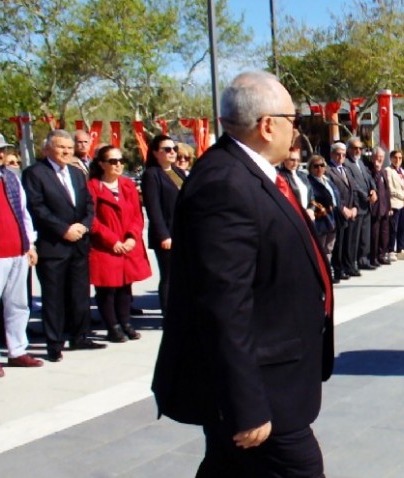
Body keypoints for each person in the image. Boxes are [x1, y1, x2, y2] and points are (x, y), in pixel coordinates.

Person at [152, 70, 334, 477]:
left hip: (270, 374)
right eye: (293, 121)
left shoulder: (251, 174)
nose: (297, 133)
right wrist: (245, 405)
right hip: (260, 389)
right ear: (268, 126)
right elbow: (222, 304)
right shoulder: (225, 183)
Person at [23, 129, 104, 363]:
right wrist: (63, 229)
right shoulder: (35, 174)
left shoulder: (77, 173)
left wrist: (84, 225)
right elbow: (37, 207)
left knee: (79, 294)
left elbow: (89, 204)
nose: (66, 152)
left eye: (69, 148)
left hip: (79, 243)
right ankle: (54, 343)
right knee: (54, 297)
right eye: (61, 147)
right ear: (47, 149)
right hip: (53, 245)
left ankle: (80, 336)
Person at [0, 129, 41, 378]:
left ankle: (17, 350)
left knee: (19, 305)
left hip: (17, 251)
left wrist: (30, 244)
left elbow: (23, 213)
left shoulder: (11, 177)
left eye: (2, 149)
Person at [87, 146, 151, 343]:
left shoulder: (127, 185)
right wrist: (112, 240)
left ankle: (125, 322)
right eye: (113, 161)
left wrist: (132, 237)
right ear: (102, 164)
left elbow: (136, 215)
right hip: (105, 246)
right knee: (107, 288)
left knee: (125, 286)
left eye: (121, 161)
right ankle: (112, 326)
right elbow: (92, 218)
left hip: (128, 244)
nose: (118, 165)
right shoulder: (92, 186)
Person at [141, 135, 186, 317]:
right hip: (167, 234)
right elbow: (153, 208)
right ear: (155, 153)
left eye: (173, 148)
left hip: (183, 233)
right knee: (168, 277)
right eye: (167, 149)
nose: (172, 152)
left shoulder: (178, 172)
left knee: (183, 277)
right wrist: (164, 235)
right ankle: (169, 315)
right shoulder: (152, 174)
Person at [326, 142, 358, 281]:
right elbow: (332, 192)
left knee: (347, 242)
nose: (340, 157)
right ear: (332, 154)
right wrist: (343, 208)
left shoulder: (347, 170)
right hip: (339, 212)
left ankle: (347, 266)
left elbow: (353, 189)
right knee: (337, 245)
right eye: (338, 154)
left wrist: (354, 207)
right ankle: (337, 270)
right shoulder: (328, 170)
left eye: (343, 155)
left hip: (350, 211)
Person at [345, 137, 378, 271]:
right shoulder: (347, 164)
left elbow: (369, 178)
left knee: (365, 235)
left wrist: (373, 190)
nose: (358, 150)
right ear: (349, 149)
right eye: (355, 148)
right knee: (355, 237)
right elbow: (354, 184)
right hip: (358, 204)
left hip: (367, 205)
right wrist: (365, 196)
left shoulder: (361, 163)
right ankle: (352, 264)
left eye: (360, 148)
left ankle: (363, 260)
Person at [307, 154, 340, 280]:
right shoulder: (310, 182)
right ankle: (320, 273)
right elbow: (313, 198)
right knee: (320, 248)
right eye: (315, 166)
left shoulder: (327, 180)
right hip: (320, 220)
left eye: (322, 165)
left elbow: (335, 194)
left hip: (332, 218)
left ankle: (327, 270)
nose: (319, 168)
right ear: (310, 168)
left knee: (329, 248)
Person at [386, 150, 404, 261]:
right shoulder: (388, 170)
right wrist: (403, 197)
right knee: (393, 228)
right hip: (395, 203)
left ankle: (400, 249)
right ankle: (391, 250)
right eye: (395, 157)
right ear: (391, 158)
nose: (397, 160)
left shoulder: (402, 171)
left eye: (400, 158)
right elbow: (390, 189)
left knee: (403, 227)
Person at [368, 148, 392, 266]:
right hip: (376, 209)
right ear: (373, 158)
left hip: (384, 207)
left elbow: (387, 191)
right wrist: (376, 170)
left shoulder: (383, 171)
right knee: (375, 235)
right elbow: (372, 184)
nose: (380, 159)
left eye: (382, 157)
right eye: (378, 157)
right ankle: (374, 257)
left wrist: (390, 207)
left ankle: (382, 255)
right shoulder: (370, 171)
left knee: (384, 234)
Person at [277, 146, 314, 221]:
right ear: (284, 160)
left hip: (307, 216)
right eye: (292, 160)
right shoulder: (279, 176)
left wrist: (311, 209)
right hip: (292, 218)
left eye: (298, 160)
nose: (296, 163)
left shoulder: (302, 175)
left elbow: (311, 195)